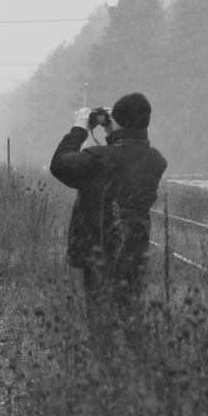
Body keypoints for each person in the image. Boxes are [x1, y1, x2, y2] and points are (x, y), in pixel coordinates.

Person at [50, 92, 167, 323]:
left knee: (101, 320)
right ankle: (132, 356)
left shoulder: (98, 159)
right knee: (130, 315)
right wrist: (117, 131)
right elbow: (127, 154)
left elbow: (60, 164)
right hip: (135, 251)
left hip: (99, 252)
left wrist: (79, 130)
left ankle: (104, 357)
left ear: (118, 122)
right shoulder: (156, 160)